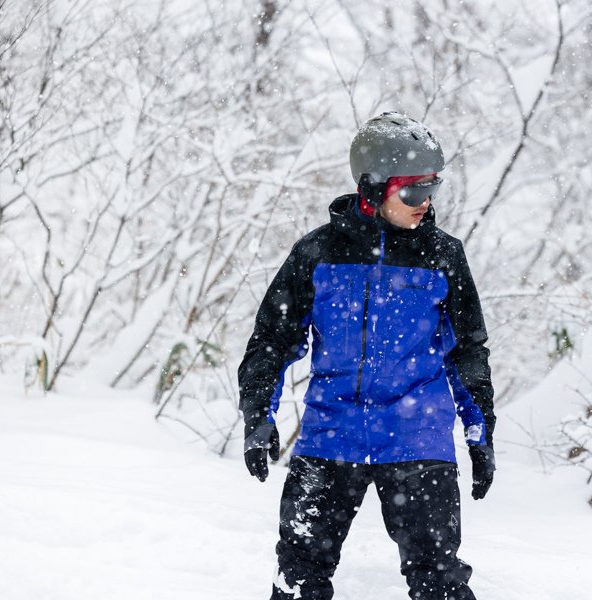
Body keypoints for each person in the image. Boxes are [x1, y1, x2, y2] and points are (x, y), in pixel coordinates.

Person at [237, 112, 496, 600]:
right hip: (331, 433)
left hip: (417, 437)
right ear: (374, 189)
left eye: (432, 189)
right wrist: (258, 416)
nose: (427, 203)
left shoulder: (443, 255)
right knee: (298, 578)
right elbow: (271, 340)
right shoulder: (318, 253)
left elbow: (466, 352)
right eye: (415, 191)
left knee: (439, 580)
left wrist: (480, 429)